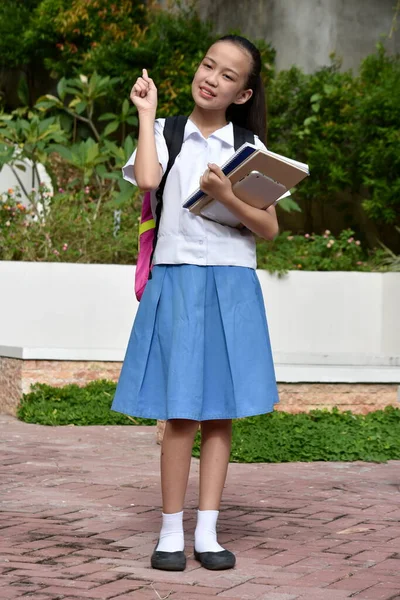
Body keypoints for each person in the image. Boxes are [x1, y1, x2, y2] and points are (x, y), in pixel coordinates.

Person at [111, 34, 280, 572]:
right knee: (180, 412)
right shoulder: (167, 133)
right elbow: (146, 179)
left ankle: (207, 532)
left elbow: (269, 228)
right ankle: (169, 533)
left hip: (232, 282)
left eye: (227, 75)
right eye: (209, 65)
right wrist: (147, 112)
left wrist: (229, 195)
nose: (212, 77)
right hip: (178, 278)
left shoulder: (252, 152)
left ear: (243, 93)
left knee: (220, 414)